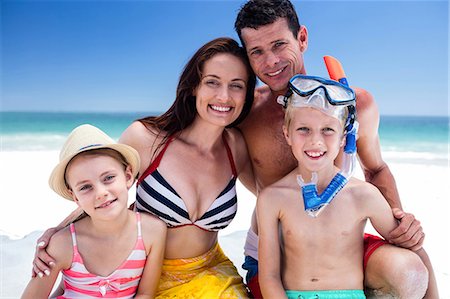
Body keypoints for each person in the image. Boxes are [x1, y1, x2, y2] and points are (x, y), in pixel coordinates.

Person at [234, 0, 438, 298]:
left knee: (407, 271)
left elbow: (376, 169)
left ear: (302, 38)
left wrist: (397, 220)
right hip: (276, 252)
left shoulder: (356, 105)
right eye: (257, 52)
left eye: (279, 44)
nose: (271, 61)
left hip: (343, 244)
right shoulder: (244, 114)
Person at [31, 37, 256, 298]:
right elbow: (104, 191)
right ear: (194, 86)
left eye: (236, 85)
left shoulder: (236, 146)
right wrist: (55, 235)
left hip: (214, 275)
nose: (223, 96)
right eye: (212, 82)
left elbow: (267, 195)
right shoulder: (146, 139)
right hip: (147, 278)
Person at [258, 74, 426, 299]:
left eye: (328, 130)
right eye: (303, 129)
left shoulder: (363, 195)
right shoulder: (272, 198)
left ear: (343, 138)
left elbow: (412, 248)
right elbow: (268, 276)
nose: (315, 141)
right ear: (287, 133)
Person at [21, 124, 166, 299]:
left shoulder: (153, 231)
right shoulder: (63, 244)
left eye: (109, 178)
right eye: (86, 187)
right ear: (74, 196)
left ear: (128, 177)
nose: (101, 193)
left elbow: (145, 294)